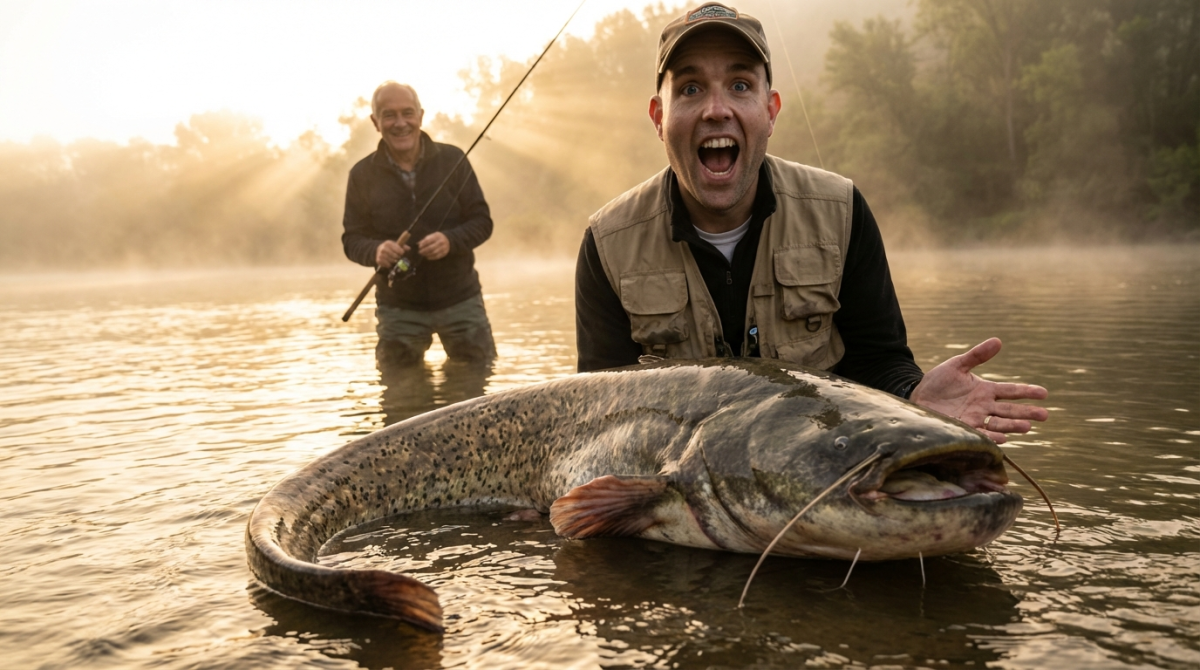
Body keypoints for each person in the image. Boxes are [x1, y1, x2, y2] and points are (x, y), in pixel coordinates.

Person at [574, 3, 1047, 443]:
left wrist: (915, 401)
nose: (716, 109)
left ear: (771, 110)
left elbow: (878, 363)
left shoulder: (842, 211)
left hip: (817, 475)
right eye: (690, 88)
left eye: (740, 85)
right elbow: (600, 416)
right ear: (659, 117)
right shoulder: (606, 244)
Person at [343, 81, 496, 366]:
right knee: (400, 402)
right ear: (375, 122)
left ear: (421, 116)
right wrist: (375, 251)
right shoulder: (361, 175)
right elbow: (352, 239)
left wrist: (451, 241)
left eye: (407, 113)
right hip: (398, 309)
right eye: (389, 115)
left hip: (461, 301)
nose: (400, 123)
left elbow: (482, 221)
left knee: (478, 392)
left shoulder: (454, 159)